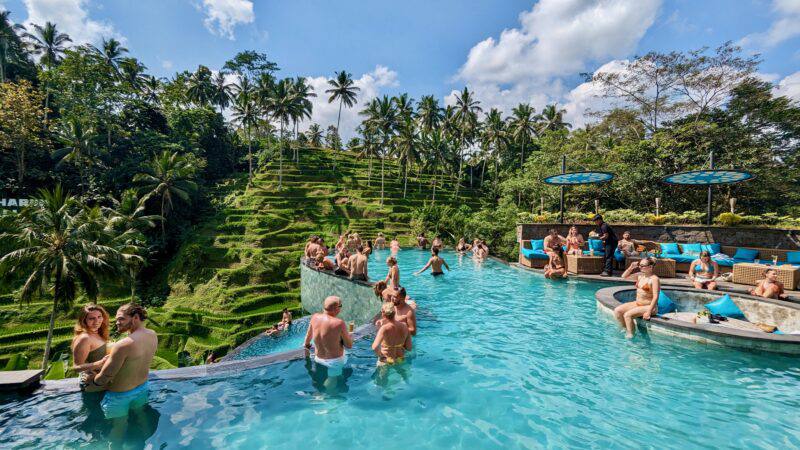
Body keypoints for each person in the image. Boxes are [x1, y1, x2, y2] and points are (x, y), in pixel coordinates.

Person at [85, 303, 158, 421]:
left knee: (117, 429)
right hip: (142, 388)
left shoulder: (123, 345)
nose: (117, 322)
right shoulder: (152, 334)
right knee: (142, 417)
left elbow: (106, 376)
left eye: (121, 319)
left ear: (135, 318)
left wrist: (93, 380)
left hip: (120, 396)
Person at [303, 296, 353, 377]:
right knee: (334, 387)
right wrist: (350, 336)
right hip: (334, 362)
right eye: (341, 306)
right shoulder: (339, 323)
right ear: (336, 308)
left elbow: (307, 339)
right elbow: (349, 346)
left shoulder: (314, 317)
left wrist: (307, 352)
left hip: (318, 359)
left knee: (320, 381)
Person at [613, 257, 661, 338]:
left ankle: (631, 335)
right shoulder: (640, 276)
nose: (640, 267)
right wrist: (631, 267)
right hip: (638, 304)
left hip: (649, 307)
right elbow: (623, 276)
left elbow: (656, 297)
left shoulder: (654, 279)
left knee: (627, 315)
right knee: (617, 311)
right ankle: (626, 329)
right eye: (639, 265)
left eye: (643, 265)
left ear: (650, 267)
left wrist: (649, 312)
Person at [71, 304, 110, 388]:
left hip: (101, 380)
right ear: (84, 320)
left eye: (99, 317)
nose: (97, 321)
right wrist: (101, 363)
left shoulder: (99, 333)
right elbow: (76, 367)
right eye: (92, 318)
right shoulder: (85, 338)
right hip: (91, 383)